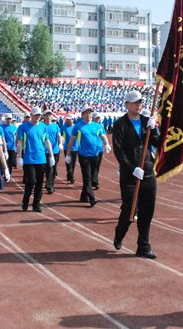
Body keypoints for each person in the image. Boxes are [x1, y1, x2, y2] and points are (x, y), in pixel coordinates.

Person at [112, 90, 160, 259]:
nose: (138, 105)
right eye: (135, 102)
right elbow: (119, 151)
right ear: (127, 104)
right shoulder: (120, 125)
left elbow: (157, 143)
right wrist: (132, 168)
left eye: (140, 102)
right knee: (129, 210)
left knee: (147, 210)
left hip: (147, 172)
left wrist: (154, 130)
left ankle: (143, 246)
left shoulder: (146, 121)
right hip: (130, 175)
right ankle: (120, 233)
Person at [66, 105, 111, 208]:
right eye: (86, 113)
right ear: (82, 115)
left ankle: (83, 196)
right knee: (87, 177)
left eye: (90, 113)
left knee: (90, 177)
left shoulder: (97, 126)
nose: (88, 115)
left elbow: (103, 136)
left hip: (95, 155)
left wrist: (107, 144)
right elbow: (71, 141)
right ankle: (92, 198)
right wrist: (68, 154)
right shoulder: (78, 126)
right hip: (83, 155)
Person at [16, 106, 54, 212]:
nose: (37, 117)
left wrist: (51, 155)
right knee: (31, 181)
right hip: (29, 158)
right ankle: (25, 200)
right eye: (35, 115)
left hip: (41, 158)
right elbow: (20, 142)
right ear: (31, 115)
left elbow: (46, 141)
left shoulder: (43, 127)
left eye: (39, 115)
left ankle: (36, 204)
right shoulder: (23, 127)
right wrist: (19, 156)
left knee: (39, 183)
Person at [42, 110, 62, 194]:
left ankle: (50, 184)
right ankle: (49, 186)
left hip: (55, 150)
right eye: (46, 115)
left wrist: (60, 143)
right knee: (49, 169)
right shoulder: (41, 126)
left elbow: (59, 135)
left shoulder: (55, 126)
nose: (48, 117)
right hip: (45, 151)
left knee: (53, 169)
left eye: (49, 115)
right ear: (44, 116)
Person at [61, 114, 78, 184]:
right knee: (68, 162)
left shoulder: (75, 127)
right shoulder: (64, 127)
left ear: (72, 120)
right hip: (67, 148)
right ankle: (71, 176)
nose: (67, 121)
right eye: (67, 119)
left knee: (73, 163)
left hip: (75, 148)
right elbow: (60, 134)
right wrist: (61, 141)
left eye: (69, 119)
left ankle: (70, 175)